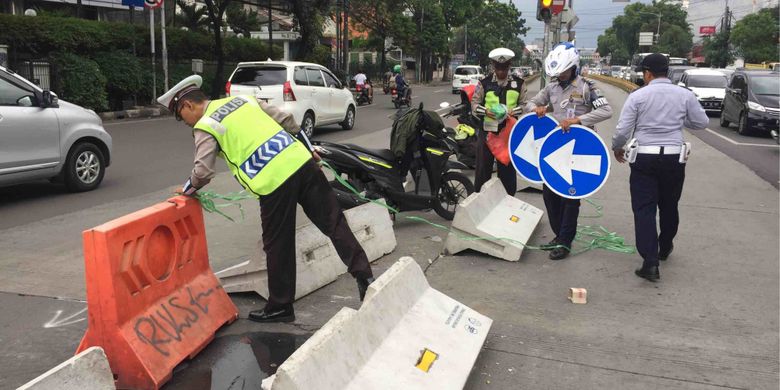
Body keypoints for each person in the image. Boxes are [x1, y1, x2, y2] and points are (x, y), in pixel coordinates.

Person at [157, 75, 374, 323]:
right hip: (302, 164)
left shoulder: (205, 125)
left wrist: (186, 190)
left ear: (187, 106)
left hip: (274, 182)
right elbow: (288, 121)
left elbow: (203, 171)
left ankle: (281, 306)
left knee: (278, 244)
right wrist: (308, 149)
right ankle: (365, 276)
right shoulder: (242, 100)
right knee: (334, 222)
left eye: (179, 115)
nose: (183, 121)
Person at [612, 53, 709, 282]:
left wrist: (618, 147)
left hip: (644, 158)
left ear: (647, 73)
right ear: (668, 71)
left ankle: (650, 261)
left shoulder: (638, 96)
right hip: (674, 158)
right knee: (669, 205)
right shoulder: (685, 95)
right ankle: (665, 247)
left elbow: (623, 129)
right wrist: (677, 120)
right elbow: (702, 122)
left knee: (644, 209)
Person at [526, 42, 613, 260]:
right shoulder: (552, 87)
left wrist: (578, 120)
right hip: (555, 151)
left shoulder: (587, 87)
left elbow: (606, 110)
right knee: (549, 194)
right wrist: (537, 108)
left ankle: (565, 242)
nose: (560, 75)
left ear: (573, 67)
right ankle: (558, 235)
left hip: (578, 150)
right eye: (557, 72)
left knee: (570, 199)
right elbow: (531, 104)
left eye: (564, 71)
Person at [471, 47, 526, 196]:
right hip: (487, 133)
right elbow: (474, 105)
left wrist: (512, 112)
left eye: (504, 67)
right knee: (483, 172)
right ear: (493, 66)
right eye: (498, 67)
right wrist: (486, 111)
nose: (501, 71)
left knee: (507, 173)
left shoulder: (519, 83)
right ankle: (480, 201)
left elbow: (525, 105)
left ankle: (507, 202)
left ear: (509, 66)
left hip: (508, 135)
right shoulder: (484, 83)